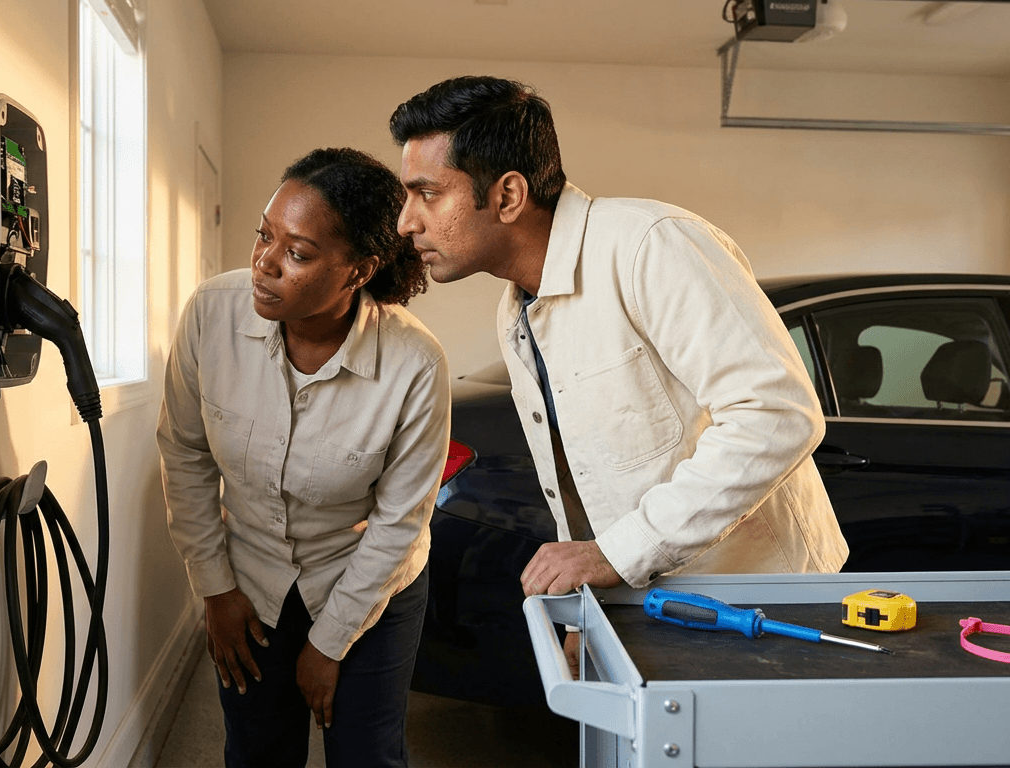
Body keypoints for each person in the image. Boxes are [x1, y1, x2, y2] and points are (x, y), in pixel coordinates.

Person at [389, 76, 849, 667]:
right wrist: (592, 598)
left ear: (507, 196)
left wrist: (614, 555)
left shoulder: (652, 246)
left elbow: (777, 415)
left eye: (427, 194)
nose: (407, 222)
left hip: (761, 609)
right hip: (652, 606)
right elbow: (582, 477)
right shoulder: (517, 307)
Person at [156, 147, 448, 768]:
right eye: (264, 235)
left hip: (368, 581)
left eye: (297, 253)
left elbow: (400, 521)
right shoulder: (211, 313)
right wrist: (214, 587)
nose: (263, 263)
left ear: (359, 270)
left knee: (366, 755)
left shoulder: (414, 364)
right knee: (258, 751)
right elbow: (184, 452)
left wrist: (331, 643)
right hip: (250, 579)